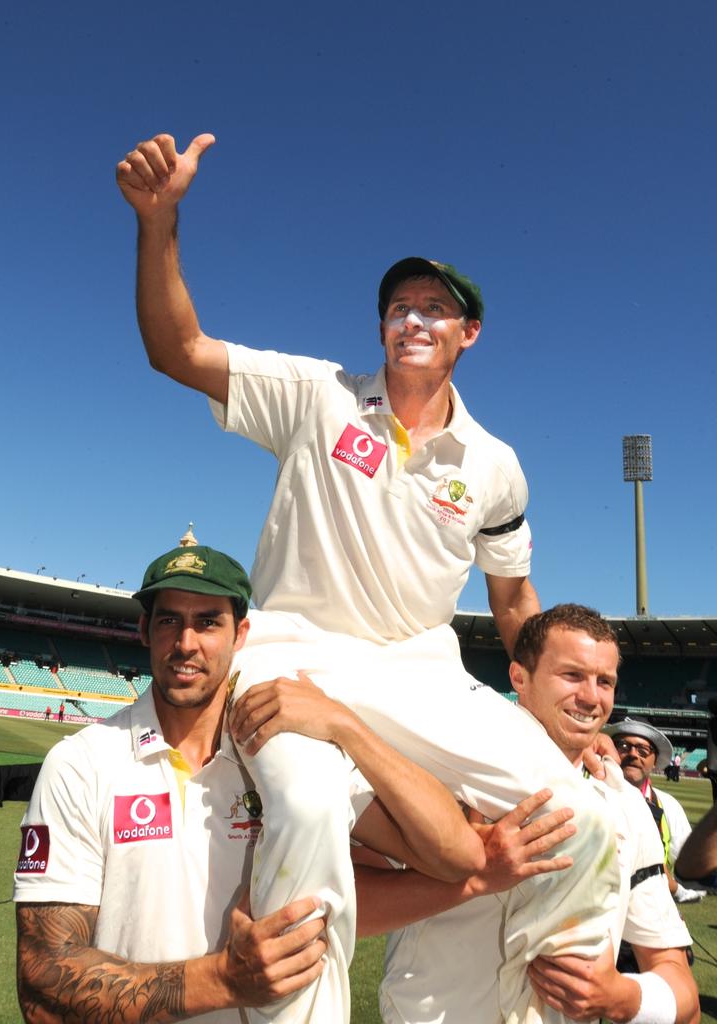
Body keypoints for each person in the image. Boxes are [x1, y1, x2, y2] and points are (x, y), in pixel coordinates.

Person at [117, 132, 619, 1024]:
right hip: (296, 656)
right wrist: (160, 222)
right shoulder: (319, 396)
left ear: (469, 334)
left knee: (579, 820)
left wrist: (565, 723)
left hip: (423, 673)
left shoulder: (496, 466)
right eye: (398, 305)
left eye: (435, 308)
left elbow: (513, 603)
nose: (412, 319)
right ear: (381, 326)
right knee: (308, 810)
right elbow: (177, 347)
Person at [14, 542, 484, 1024]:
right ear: (144, 630)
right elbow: (41, 984)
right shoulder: (80, 763)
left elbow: (454, 856)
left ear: (241, 634)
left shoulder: (292, 757)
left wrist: (347, 726)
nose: (186, 643)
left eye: (208, 622)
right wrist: (221, 980)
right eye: (169, 620)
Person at [366, 605, 699, 1024]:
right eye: (572, 676)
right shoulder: (443, 772)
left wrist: (621, 997)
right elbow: (352, 905)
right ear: (519, 678)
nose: (591, 697)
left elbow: (682, 988)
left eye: (605, 682)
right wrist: (472, 878)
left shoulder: (625, 805)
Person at [605, 718, 704, 904]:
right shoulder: (587, 791)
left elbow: (695, 878)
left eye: (643, 750)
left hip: (649, 914)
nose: (633, 754)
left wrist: (672, 887)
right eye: (624, 746)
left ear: (655, 761)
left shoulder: (669, 806)